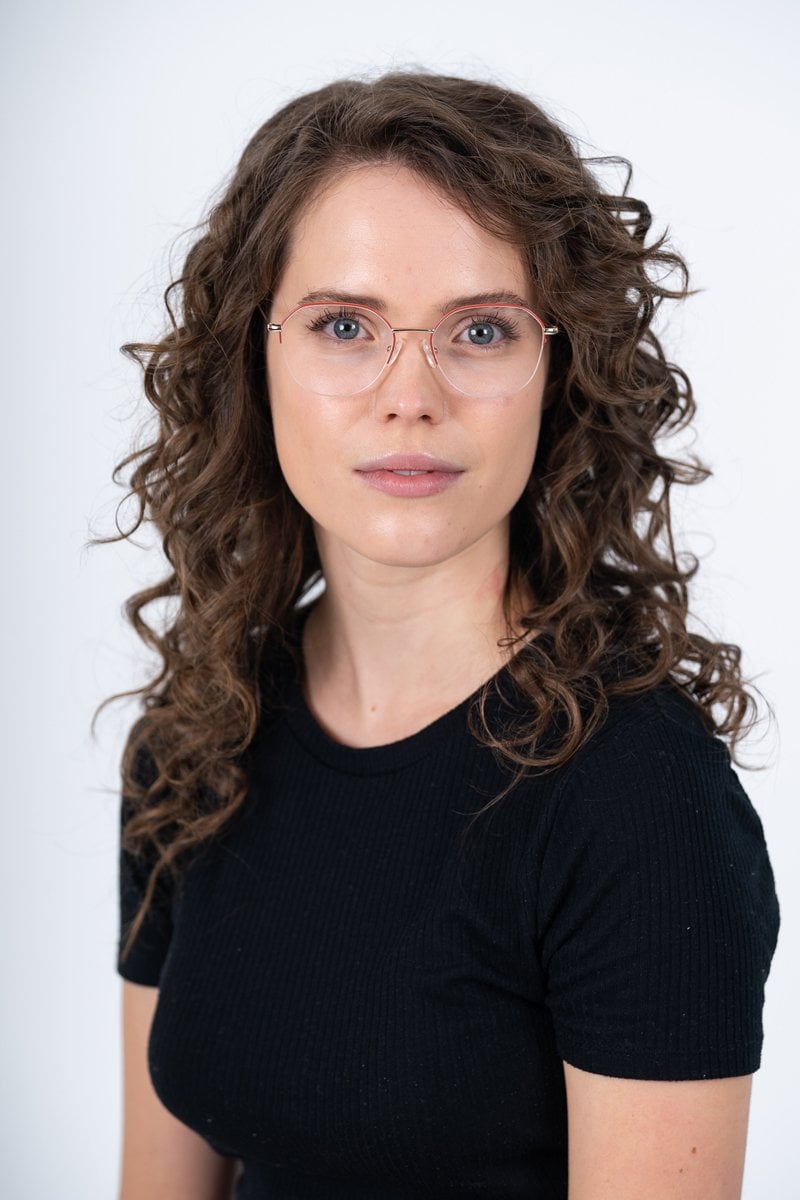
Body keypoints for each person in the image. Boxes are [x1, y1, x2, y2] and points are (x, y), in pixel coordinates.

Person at [112, 71, 780, 1199]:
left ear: (558, 371)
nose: (410, 394)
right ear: (254, 358)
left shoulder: (640, 799)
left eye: (480, 330)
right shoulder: (197, 733)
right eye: (343, 326)